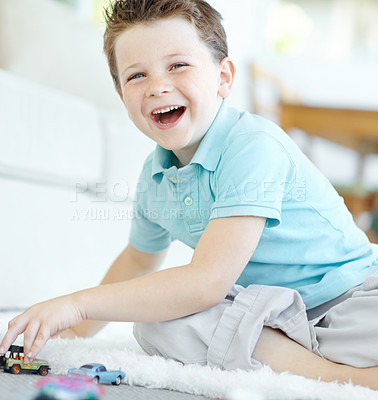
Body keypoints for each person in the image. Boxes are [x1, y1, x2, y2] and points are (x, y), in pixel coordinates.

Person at [1, 0, 378, 389]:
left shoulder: (253, 145)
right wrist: (76, 331)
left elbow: (208, 282)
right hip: (275, 316)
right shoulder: (155, 176)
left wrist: (77, 301)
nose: (158, 86)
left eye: (177, 65)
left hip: (350, 297)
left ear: (223, 77)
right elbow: (137, 260)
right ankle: (330, 367)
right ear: (121, 96)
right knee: (156, 326)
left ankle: (337, 377)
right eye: (136, 76)